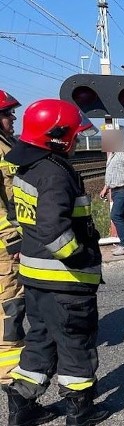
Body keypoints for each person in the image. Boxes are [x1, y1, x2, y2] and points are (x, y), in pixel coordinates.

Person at [5, 99, 109, 426]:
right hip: (64, 278)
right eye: (75, 135)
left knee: (41, 339)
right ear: (57, 136)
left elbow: (22, 219)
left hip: (35, 277)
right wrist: (80, 257)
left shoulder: (29, 167)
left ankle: (22, 407)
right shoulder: (53, 172)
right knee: (75, 340)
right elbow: (53, 229)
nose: (78, 141)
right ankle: (80, 409)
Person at [0, 90, 25, 386]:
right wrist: (12, 239)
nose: (12, 118)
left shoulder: (9, 145)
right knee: (10, 303)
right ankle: (9, 374)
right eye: (7, 114)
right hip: (5, 244)